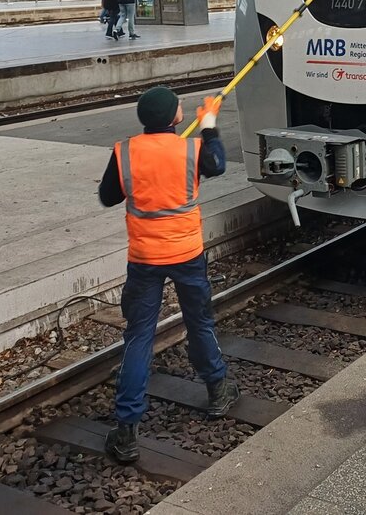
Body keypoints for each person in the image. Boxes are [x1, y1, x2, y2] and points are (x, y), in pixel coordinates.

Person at [97, 86, 237, 463]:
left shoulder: (125, 151)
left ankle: (126, 431)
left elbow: (109, 196)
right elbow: (218, 163)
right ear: (176, 118)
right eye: (179, 107)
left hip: (144, 258)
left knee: (139, 336)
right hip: (187, 255)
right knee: (199, 322)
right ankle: (218, 391)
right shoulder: (190, 150)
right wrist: (208, 125)